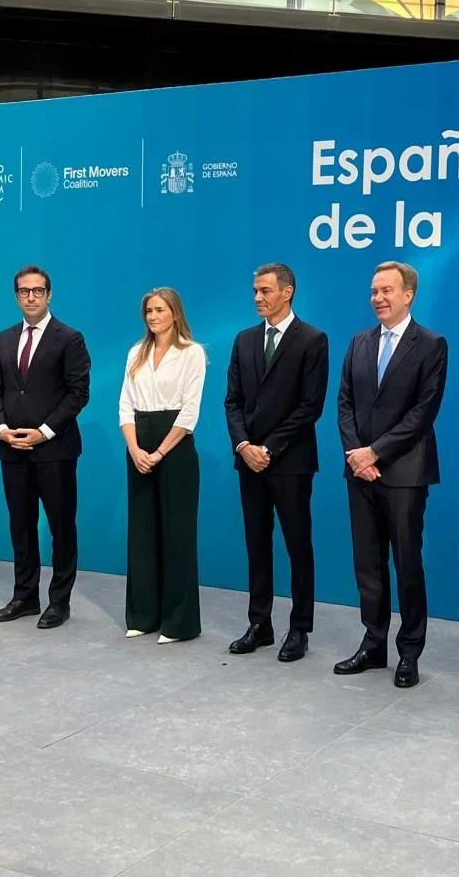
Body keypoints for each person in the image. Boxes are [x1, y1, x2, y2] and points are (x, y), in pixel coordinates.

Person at [335, 261, 447, 688]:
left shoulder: (431, 344)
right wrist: (356, 456)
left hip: (404, 473)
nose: (378, 298)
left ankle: (409, 652)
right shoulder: (359, 342)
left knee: (407, 564)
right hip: (360, 472)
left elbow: (423, 411)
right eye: (373, 291)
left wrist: (375, 452)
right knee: (368, 564)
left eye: (386, 290)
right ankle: (373, 644)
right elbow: (345, 402)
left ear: (408, 295)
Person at [223, 263, 329, 662]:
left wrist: (268, 448)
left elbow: (310, 406)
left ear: (287, 292)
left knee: (298, 545)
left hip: (290, 462)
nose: (257, 297)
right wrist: (244, 445)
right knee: (257, 543)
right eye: (255, 291)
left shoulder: (313, 340)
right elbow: (232, 401)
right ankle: (260, 623)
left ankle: (299, 628)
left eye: (265, 290)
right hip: (248, 461)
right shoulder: (244, 340)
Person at [0, 265, 92, 629]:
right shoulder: (4, 338)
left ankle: (59, 602)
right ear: (16, 296)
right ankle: (25, 597)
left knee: (61, 527)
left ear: (49, 294)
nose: (30, 297)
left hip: (55, 450)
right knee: (21, 526)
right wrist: (2, 429)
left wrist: (44, 431)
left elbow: (78, 393)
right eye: (23, 291)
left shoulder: (70, 338)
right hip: (12, 449)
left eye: (37, 290)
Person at [118, 287, 206, 643]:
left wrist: (160, 452)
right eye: (149, 311)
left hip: (176, 447)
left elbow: (190, 410)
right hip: (139, 445)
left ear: (175, 313)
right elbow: (125, 406)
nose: (153, 317)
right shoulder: (135, 353)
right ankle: (143, 616)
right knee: (142, 533)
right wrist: (135, 449)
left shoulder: (192, 353)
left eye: (159, 310)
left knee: (177, 534)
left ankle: (178, 623)